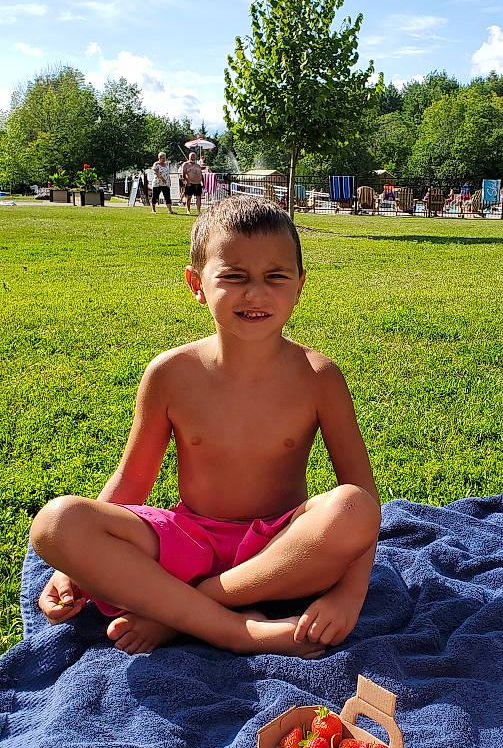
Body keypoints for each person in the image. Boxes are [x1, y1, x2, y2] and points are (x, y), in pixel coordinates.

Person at [31, 198, 381, 657]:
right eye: (234, 276)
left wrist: (348, 596)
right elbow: (133, 480)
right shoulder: (170, 374)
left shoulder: (319, 377)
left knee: (353, 507)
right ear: (197, 284)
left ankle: (181, 612)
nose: (255, 294)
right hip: (188, 542)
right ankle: (233, 629)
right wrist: (71, 569)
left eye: (275, 277)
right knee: (56, 523)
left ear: (299, 286)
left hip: (282, 551)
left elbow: (363, 494)